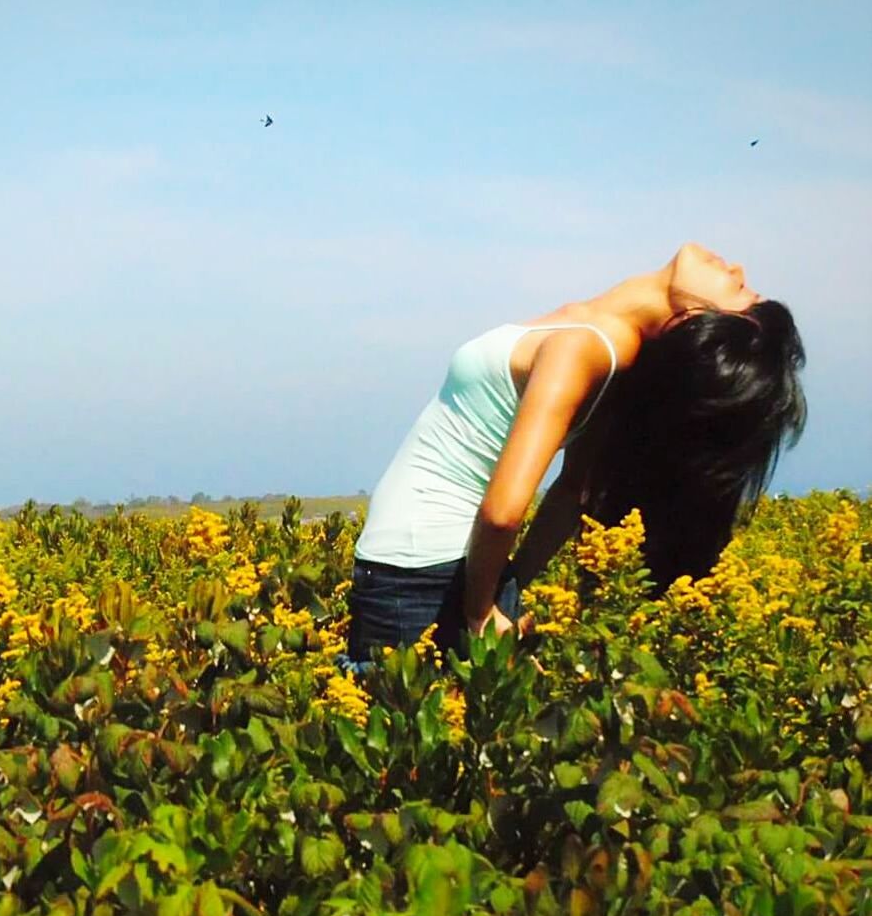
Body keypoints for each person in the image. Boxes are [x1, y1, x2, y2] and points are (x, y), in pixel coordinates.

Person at [341, 241, 807, 672]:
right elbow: (573, 489)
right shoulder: (602, 341)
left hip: (420, 580)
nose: (737, 269)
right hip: (434, 574)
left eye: (742, 291)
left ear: (697, 322)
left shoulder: (583, 349)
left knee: (400, 750)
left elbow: (505, 512)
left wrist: (480, 611)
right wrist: (508, 589)